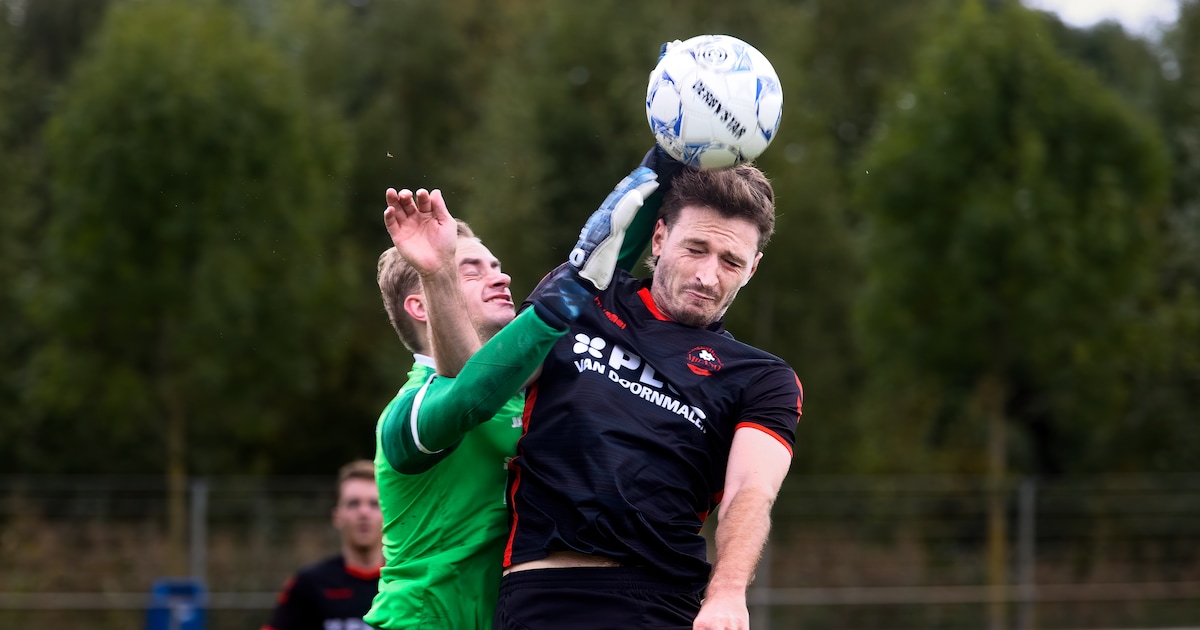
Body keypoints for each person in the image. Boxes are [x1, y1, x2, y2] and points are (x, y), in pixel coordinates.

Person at [495, 164, 804, 630]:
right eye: (695, 249)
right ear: (659, 238)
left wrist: (726, 593)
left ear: (752, 269)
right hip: (543, 591)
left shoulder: (763, 377)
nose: (708, 276)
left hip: (660, 600)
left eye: (731, 262)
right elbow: (492, 380)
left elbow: (751, 490)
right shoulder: (584, 297)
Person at [364, 162, 665, 629]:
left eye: (498, 267)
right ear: (421, 305)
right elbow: (469, 398)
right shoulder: (408, 412)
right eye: (472, 271)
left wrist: (668, 160)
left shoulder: (526, 388)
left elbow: (601, 269)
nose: (501, 278)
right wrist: (438, 272)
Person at [263, 459, 384, 630]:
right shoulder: (309, 584)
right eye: (353, 503)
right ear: (337, 516)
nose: (363, 512)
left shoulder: (405, 582)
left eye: (374, 504)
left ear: (388, 515)